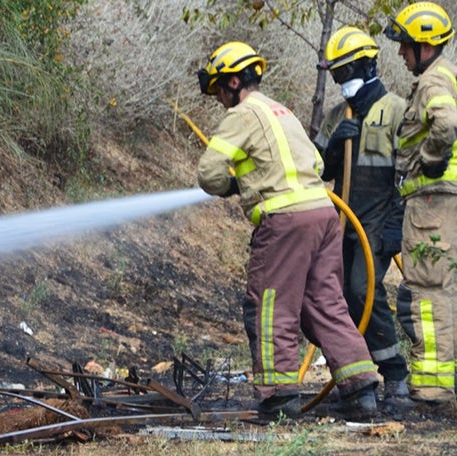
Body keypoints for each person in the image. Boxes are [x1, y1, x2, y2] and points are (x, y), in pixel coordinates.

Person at [196, 41, 380, 418]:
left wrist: (233, 186)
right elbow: (313, 159)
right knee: (324, 302)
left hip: (285, 222)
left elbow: (208, 173)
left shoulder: (242, 115)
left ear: (233, 81)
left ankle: (279, 396)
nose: (217, 97)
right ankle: (361, 389)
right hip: (322, 215)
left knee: (269, 306)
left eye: (217, 87)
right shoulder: (283, 111)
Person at [314, 26, 412, 409]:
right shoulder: (337, 115)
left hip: (377, 219)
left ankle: (396, 377)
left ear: (368, 66)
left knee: (361, 290)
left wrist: (396, 222)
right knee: (336, 296)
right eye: (336, 74)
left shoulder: (397, 111)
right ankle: (358, 379)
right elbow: (318, 168)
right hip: (342, 220)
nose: (342, 81)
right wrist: (336, 146)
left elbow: (409, 172)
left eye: (346, 72)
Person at [385, 1, 457, 405]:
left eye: (405, 45)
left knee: (428, 293)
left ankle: (432, 387)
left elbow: (445, 124)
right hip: (443, 204)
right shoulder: (446, 76)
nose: (400, 52)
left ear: (425, 47)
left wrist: (429, 161)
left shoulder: (434, 82)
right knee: (445, 290)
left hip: (433, 204)